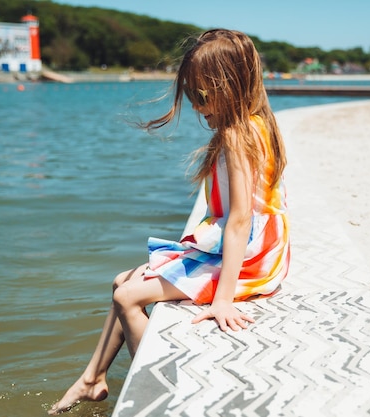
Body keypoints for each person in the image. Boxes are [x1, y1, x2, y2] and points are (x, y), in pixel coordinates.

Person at [48, 28, 290, 415]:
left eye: (202, 96)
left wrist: (223, 299)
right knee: (121, 281)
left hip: (250, 257)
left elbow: (241, 218)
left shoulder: (236, 133)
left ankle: (163, 396)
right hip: (253, 247)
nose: (197, 107)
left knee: (127, 298)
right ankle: (92, 379)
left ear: (231, 85)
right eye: (193, 96)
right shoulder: (257, 121)